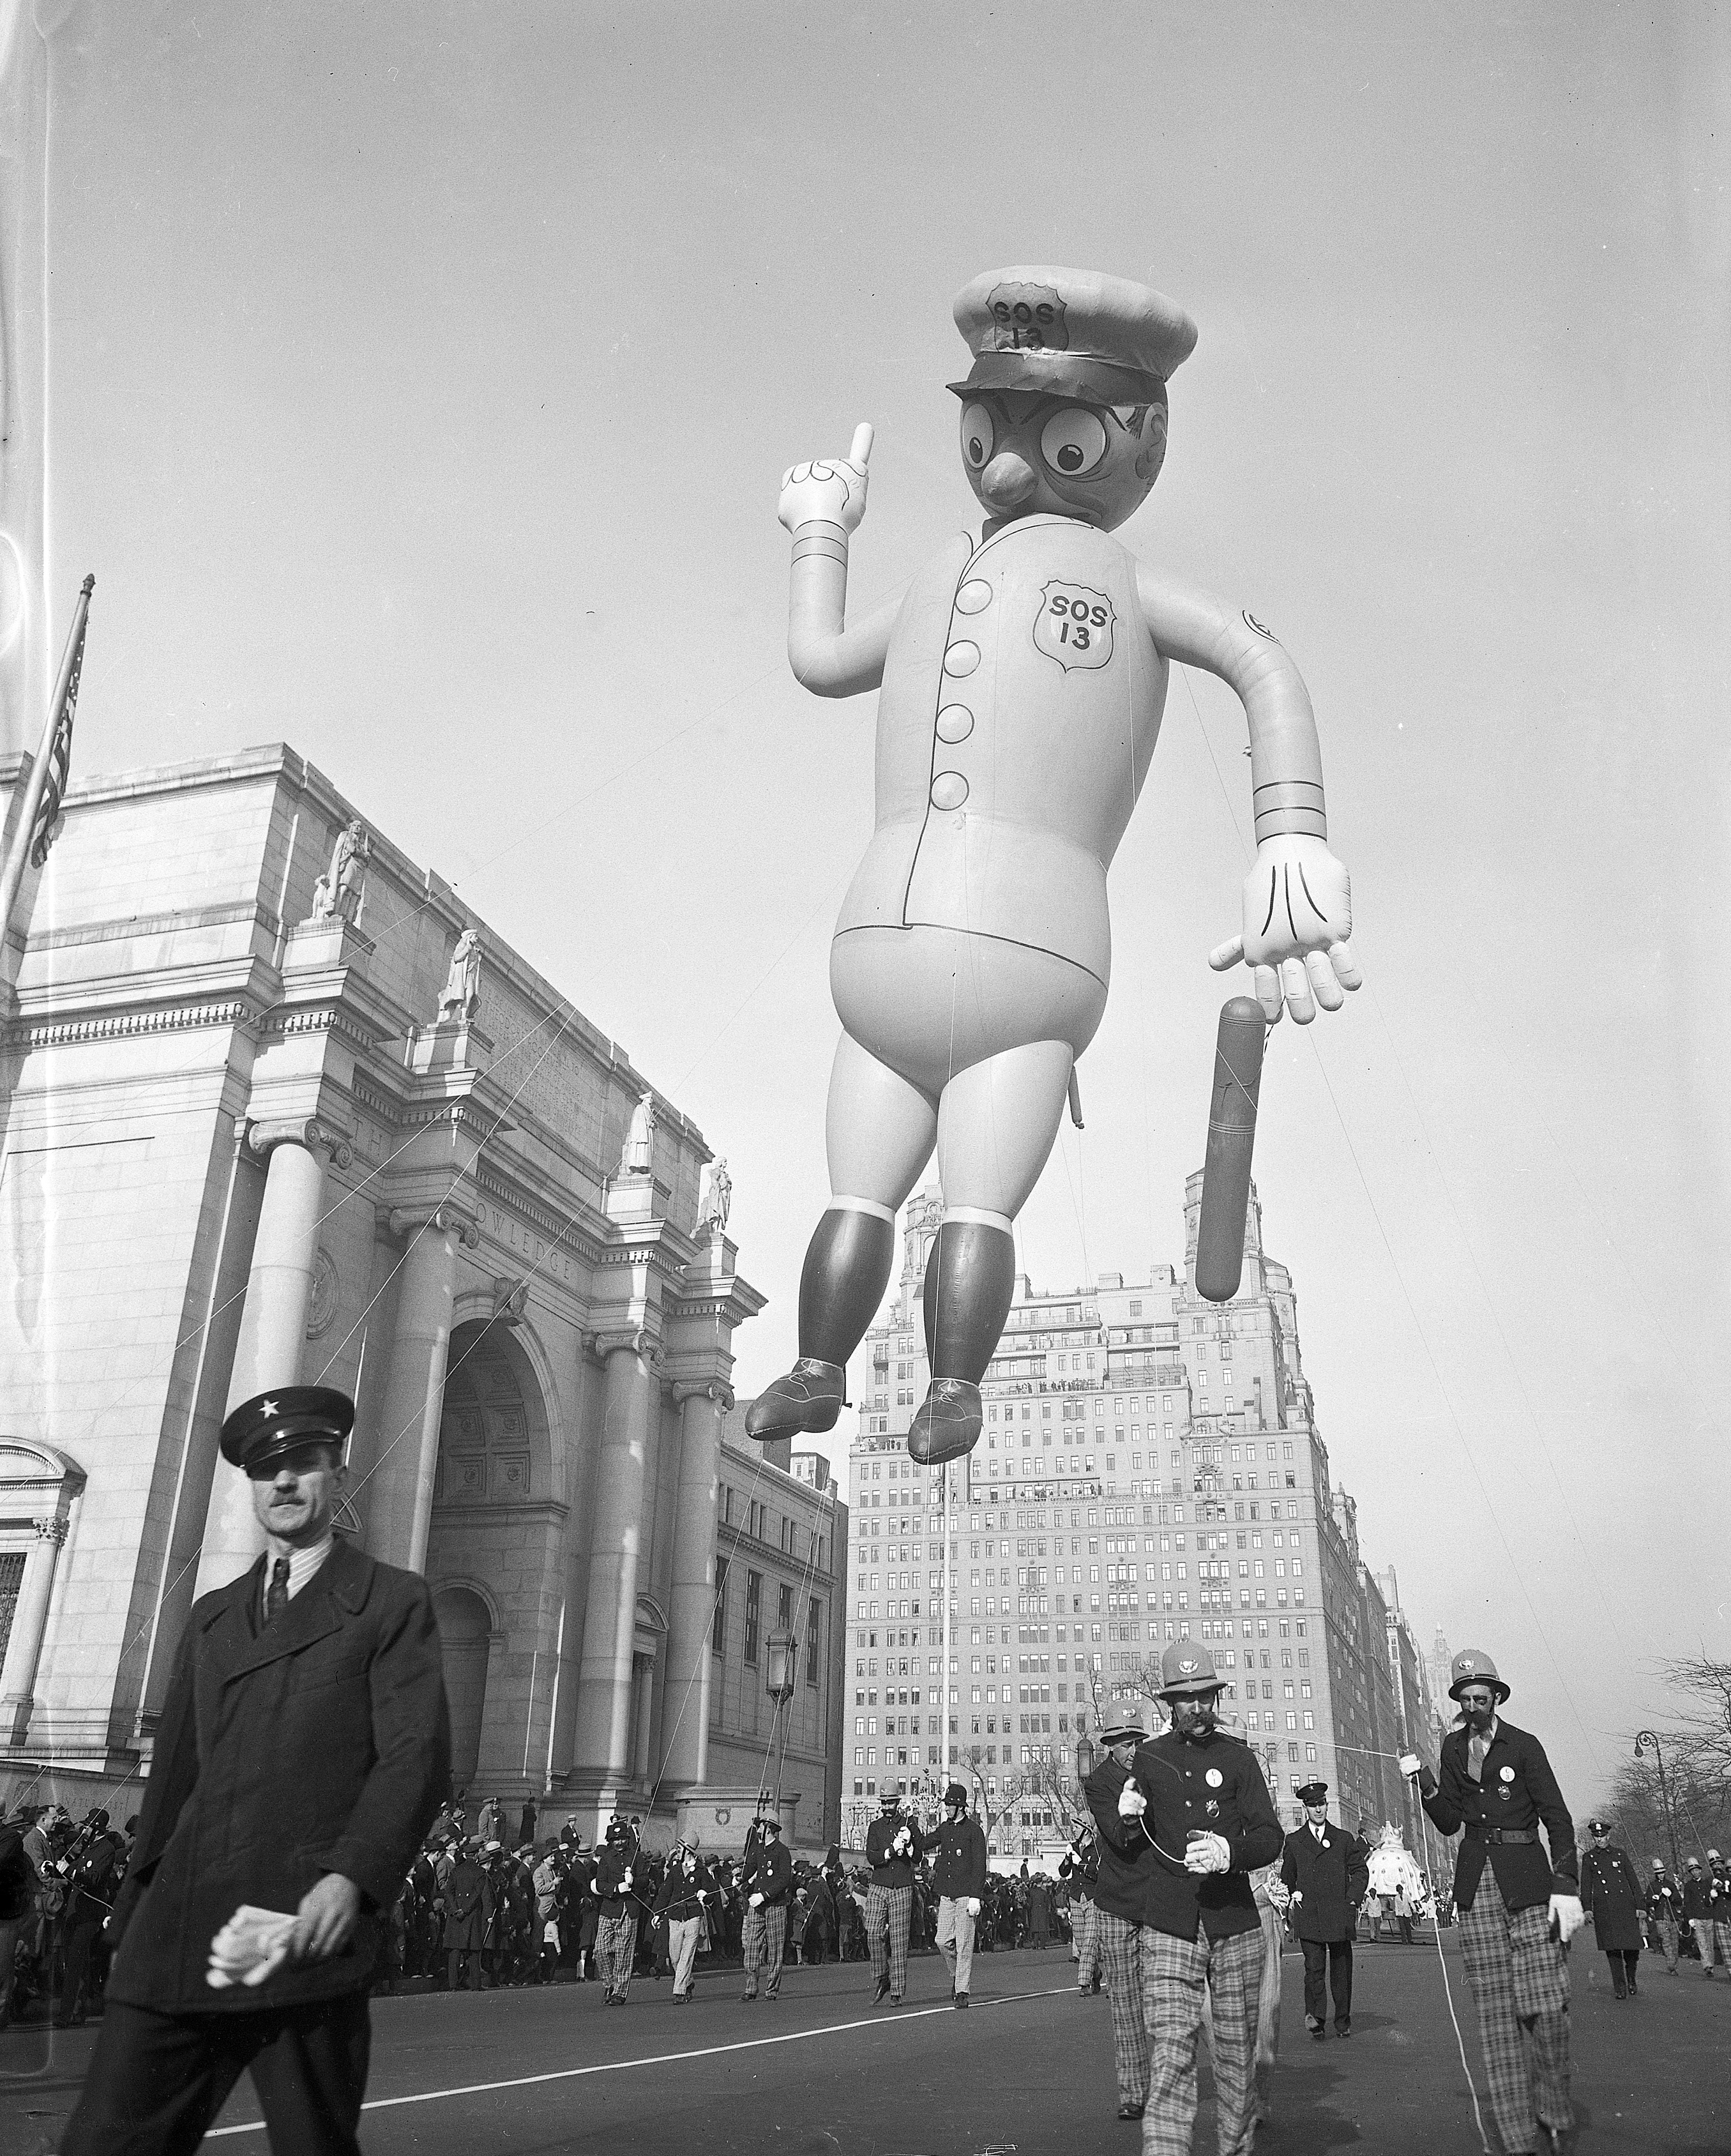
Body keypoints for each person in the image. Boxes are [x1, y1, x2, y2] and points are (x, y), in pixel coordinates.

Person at [747, 264, 1359, 1471]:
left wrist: (1291, 829)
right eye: (992, 429)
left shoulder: (1127, 588)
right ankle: (822, 1367)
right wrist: (823, 529)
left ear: (1133, 438)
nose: (1016, 465)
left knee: (973, 1197)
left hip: (1029, 963)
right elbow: (819, 659)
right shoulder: (935, 574)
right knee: (855, 1192)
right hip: (886, 949)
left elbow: (1261, 663)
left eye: (1061, 437)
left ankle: (955, 1385)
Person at [62, 1386, 450, 2156]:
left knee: (312, 2146)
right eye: (266, 1468)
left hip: (303, 1927)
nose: (282, 1483)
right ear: (249, 1482)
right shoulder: (213, 1614)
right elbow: (174, 1778)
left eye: (302, 1464)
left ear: (336, 1472)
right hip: (185, 1929)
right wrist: (135, 1912)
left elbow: (416, 1756)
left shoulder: (388, 1603)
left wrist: (351, 1878)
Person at [1404, 1646, 1582, 2156]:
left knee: (1546, 2008)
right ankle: (1516, 2138)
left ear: (1496, 1697)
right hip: (1475, 1884)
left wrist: (1565, 1880)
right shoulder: (1451, 1747)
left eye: (1482, 1695)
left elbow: (1557, 1817)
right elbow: (1447, 1822)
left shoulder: (1523, 1745)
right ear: (1458, 1701)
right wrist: (1425, 1784)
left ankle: (1552, 2105)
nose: (1474, 1703)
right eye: (1465, 1696)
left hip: (1528, 1883)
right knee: (1496, 2017)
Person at [1117, 1643, 1282, 2156]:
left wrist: (1229, 1851)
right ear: (1170, 1703)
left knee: (1235, 2059)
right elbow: (1127, 1843)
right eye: (1185, 1699)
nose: (1196, 1708)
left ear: (1215, 1696)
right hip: (1169, 1925)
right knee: (1170, 2052)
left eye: (1204, 1696)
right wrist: (1124, 1816)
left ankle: (1235, 2149)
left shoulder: (1239, 1759)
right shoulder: (1149, 1758)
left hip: (1233, 1922)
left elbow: (1269, 1838)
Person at [1084, 1711, 1161, 2124]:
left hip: (1155, 1897)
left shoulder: (1156, 1768)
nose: (1132, 1749)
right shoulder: (1097, 1783)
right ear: (1110, 1745)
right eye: (1124, 1742)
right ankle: (1133, 2092)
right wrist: (1130, 1813)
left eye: (1136, 1740)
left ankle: (1164, 2084)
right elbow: (1117, 1835)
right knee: (1125, 2002)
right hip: (1115, 1901)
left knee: (1161, 1997)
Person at [1281, 1780, 1368, 2039]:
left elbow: (1360, 1871)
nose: (1318, 1810)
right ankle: (1316, 2019)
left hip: (1339, 1915)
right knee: (1314, 1970)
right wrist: (1287, 1903)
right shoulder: (1295, 1841)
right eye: (1312, 1805)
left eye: (1322, 1804)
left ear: (1327, 1805)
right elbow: (1287, 1879)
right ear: (1305, 1808)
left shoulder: (1343, 1839)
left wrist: (1352, 1899)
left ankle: (1342, 2021)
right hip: (1309, 1915)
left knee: (1341, 1973)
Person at [864, 1786, 930, 2005]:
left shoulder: (910, 1824)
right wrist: (890, 1851)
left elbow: (918, 1858)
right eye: (883, 1803)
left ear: (898, 1803)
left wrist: (909, 1844)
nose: (886, 1808)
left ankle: (897, 1992)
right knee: (872, 1933)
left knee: (899, 1941)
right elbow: (871, 1857)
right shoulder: (875, 1827)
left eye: (890, 1803)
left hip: (902, 1886)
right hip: (879, 1884)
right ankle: (883, 1977)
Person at [930, 1782, 987, 2007]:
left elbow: (979, 1866)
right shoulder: (945, 1829)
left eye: (949, 1805)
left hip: (966, 1895)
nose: (946, 1809)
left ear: (959, 1806)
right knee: (942, 1940)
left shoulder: (974, 1832)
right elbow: (926, 1842)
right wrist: (910, 1834)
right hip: (947, 1894)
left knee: (964, 1944)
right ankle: (956, 1976)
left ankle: (962, 1991)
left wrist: (976, 1895)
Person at [1578, 1819, 1642, 1999]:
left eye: (1603, 1836)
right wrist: (1587, 1909)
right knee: (1613, 1950)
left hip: (1625, 1906)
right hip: (1604, 1909)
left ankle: (1631, 1978)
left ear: (1609, 1836)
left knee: (1631, 1949)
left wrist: (1640, 1906)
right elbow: (1586, 1885)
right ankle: (1619, 1987)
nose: (1600, 1840)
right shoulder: (1589, 1858)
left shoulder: (1620, 1855)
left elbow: (1633, 1881)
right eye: (1596, 1837)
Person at [740, 1816, 793, 2001]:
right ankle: (751, 1987)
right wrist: (740, 1879)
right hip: (757, 1906)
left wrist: (765, 1895)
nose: (758, 1830)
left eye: (761, 1826)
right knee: (752, 1946)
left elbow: (784, 1879)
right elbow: (749, 1869)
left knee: (775, 1949)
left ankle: (771, 1990)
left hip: (775, 1906)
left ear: (768, 1828)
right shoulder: (757, 1850)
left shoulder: (782, 1851)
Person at [655, 1839, 711, 2002]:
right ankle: (688, 1982)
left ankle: (679, 1992)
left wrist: (704, 1893)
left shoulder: (701, 1871)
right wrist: (658, 1913)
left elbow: (711, 1891)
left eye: (680, 1848)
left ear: (688, 1850)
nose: (678, 1851)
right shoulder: (675, 1870)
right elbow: (665, 1893)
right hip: (675, 1916)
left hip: (694, 1916)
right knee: (675, 1956)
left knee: (687, 1955)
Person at [594, 1819, 639, 2005]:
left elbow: (645, 1880)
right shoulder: (605, 1859)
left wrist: (634, 1881)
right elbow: (599, 1884)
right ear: (610, 1841)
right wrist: (617, 1888)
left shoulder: (637, 1857)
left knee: (623, 1953)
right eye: (615, 1839)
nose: (619, 1842)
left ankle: (620, 1993)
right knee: (600, 1950)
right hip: (609, 1907)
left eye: (622, 1839)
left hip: (629, 1909)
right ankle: (610, 1983)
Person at [1060, 1825, 1101, 1996]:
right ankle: (1096, 1972)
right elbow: (1063, 1872)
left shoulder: (1098, 1848)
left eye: (1077, 1826)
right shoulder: (1073, 1846)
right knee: (1081, 1940)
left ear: (1086, 1829)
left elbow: (1097, 1873)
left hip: (1092, 1897)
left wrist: (1081, 1863)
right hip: (1076, 1896)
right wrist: (1068, 1859)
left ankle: (1084, 1983)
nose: (1074, 1829)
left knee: (1090, 1940)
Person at [1680, 1857, 1716, 1978]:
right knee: (1702, 1942)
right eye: (1693, 1871)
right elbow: (1687, 1903)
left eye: (1697, 1870)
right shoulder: (1689, 1886)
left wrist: (1711, 1898)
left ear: (1700, 1871)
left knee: (1710, 1942)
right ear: (1691, 1873)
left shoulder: (1707, 1883)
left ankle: (1711, 1963)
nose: (1695, 1873)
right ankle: (1707, 1966)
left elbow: (1711, 1900)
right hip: (1697, 1918)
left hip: (1709, 1916)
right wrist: (1690, 1918)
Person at [1645, 1858, 1683, 1973]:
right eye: (1659, 1873)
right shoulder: (1652, 1886)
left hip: (1673, 1918)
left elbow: (1679, 1901)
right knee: (1666, 1941)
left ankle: (1674, 1963)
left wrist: (1671, 1895)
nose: (1661, 1875)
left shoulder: (1670, 1884)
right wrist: (1654, 1900)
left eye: (1662, 1872)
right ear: (1656, 1874)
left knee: (1675, 1943)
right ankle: (1671, 1965)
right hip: (1661, 1918)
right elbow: (1647, 1903)